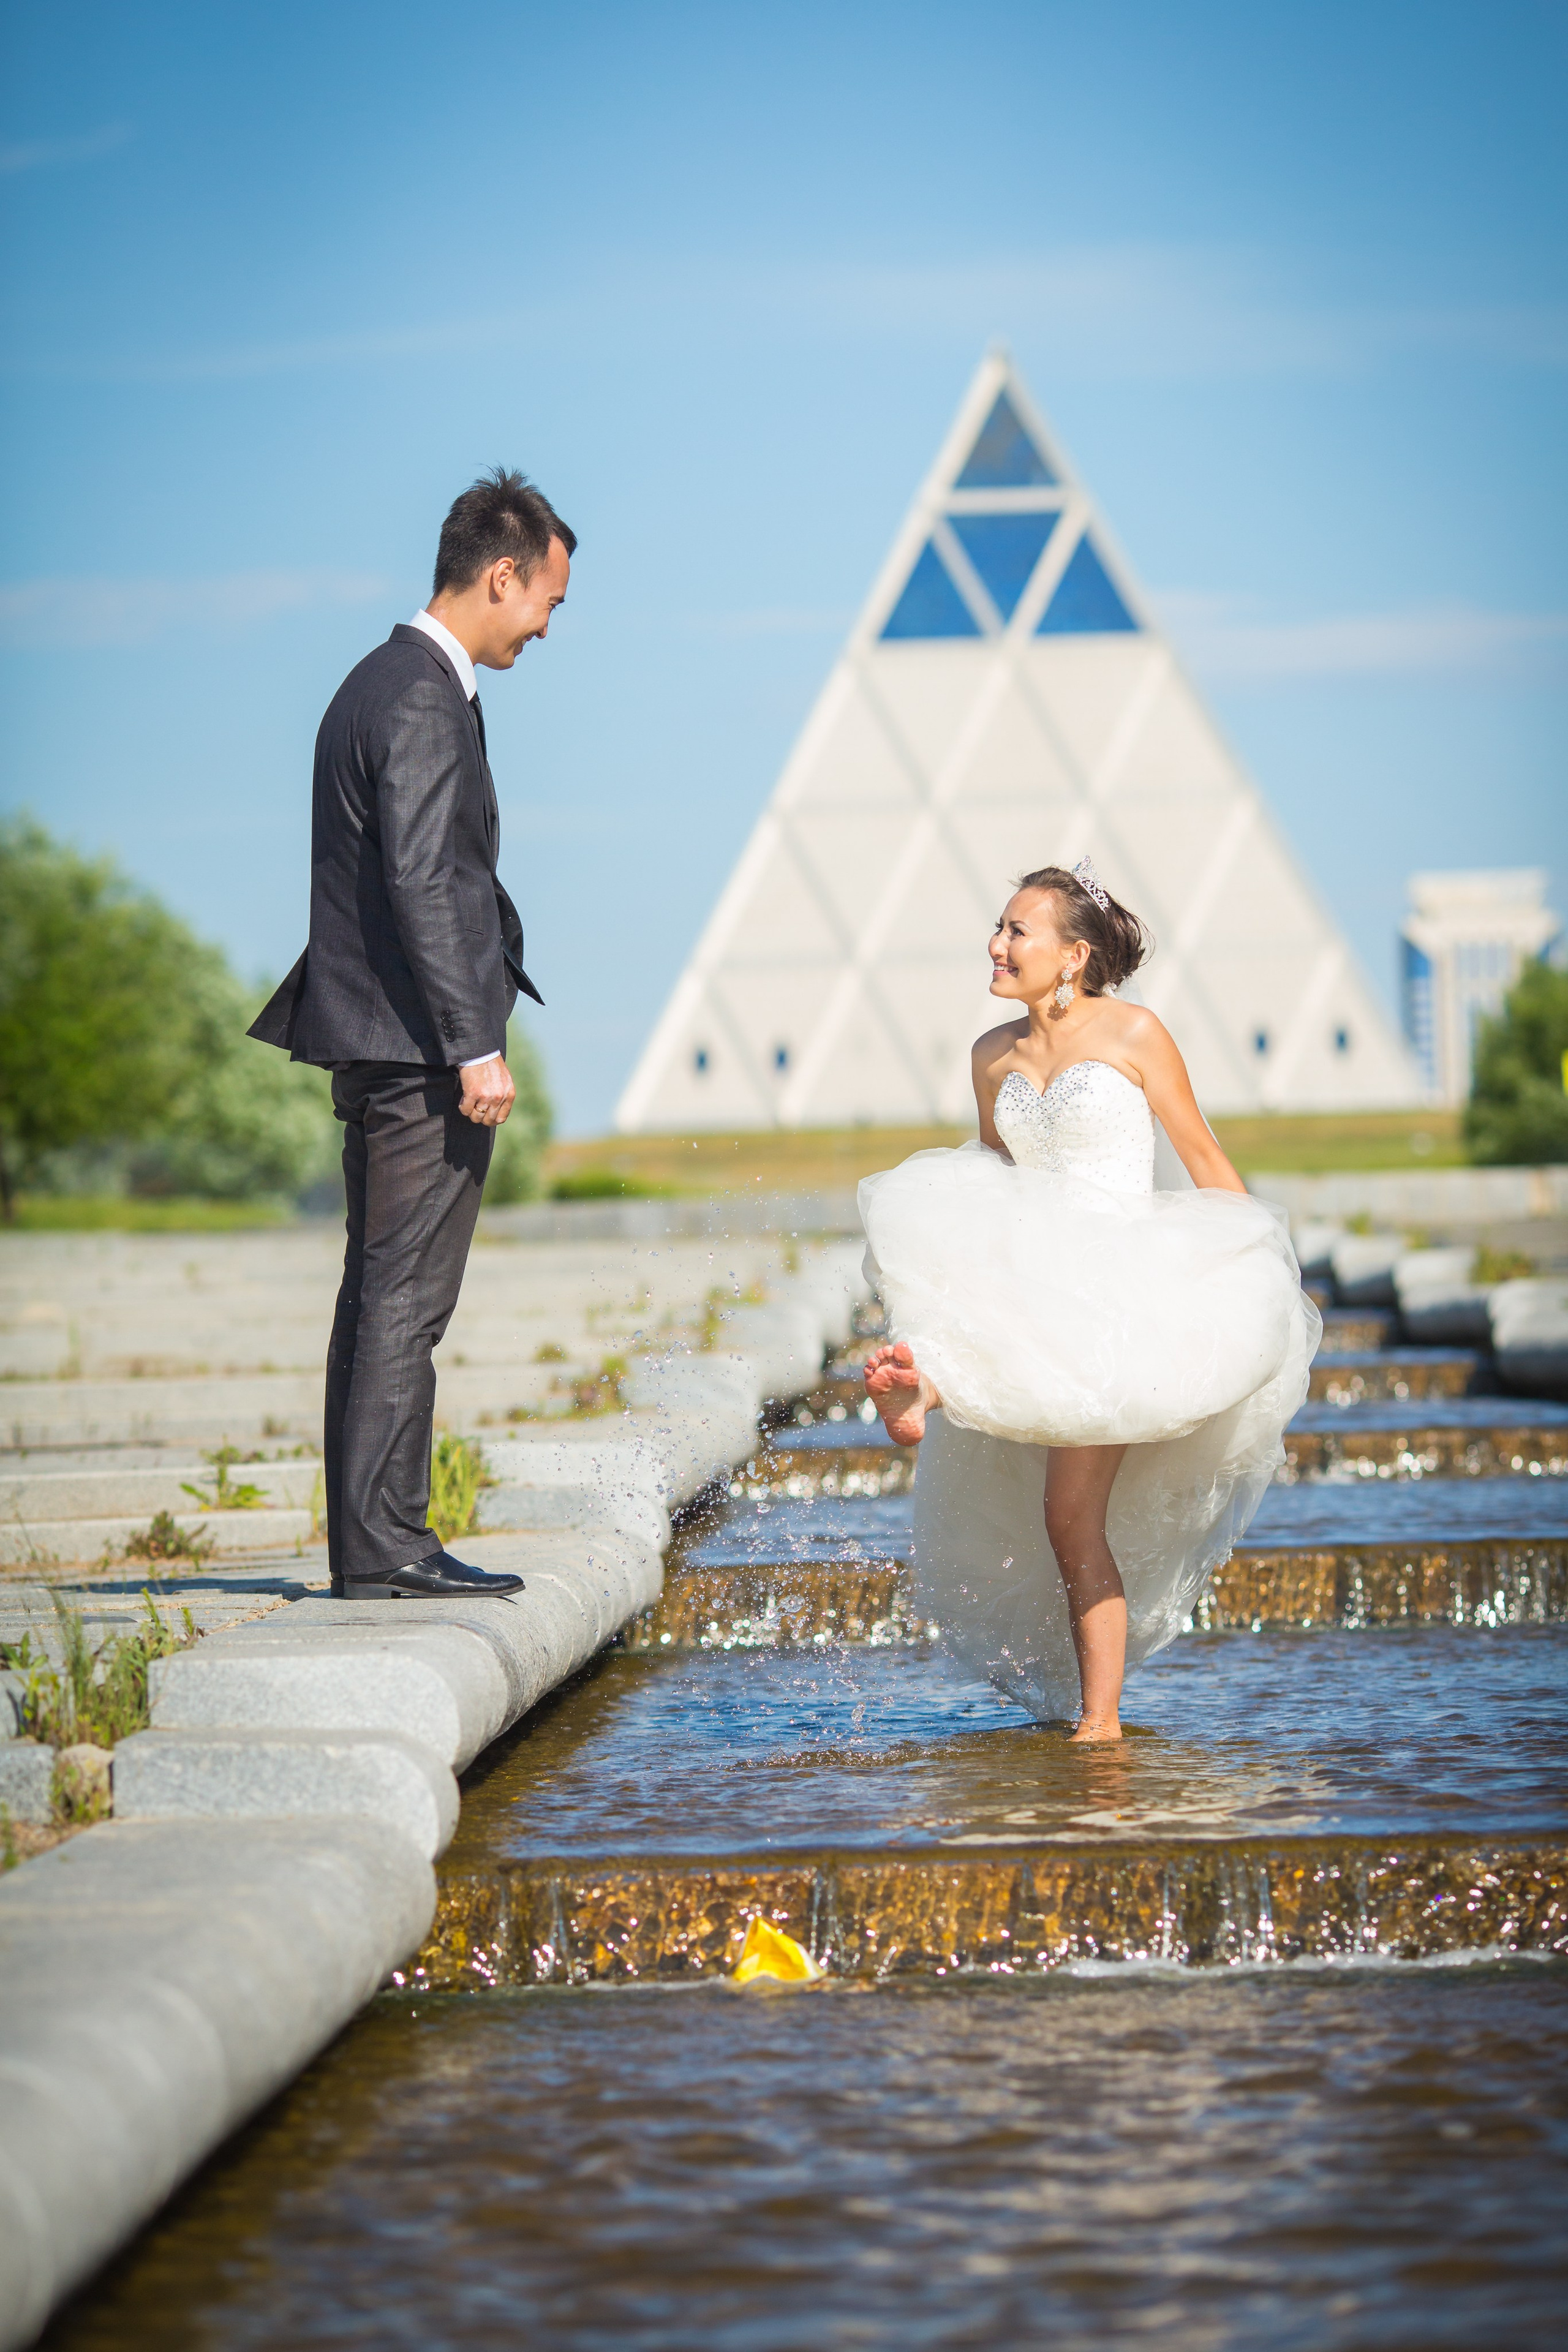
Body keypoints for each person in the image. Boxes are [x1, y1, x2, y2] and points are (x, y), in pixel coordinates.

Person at [859, 859, 1317, 1740]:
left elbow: (1202, 1156)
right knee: (1058, 1506)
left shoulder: (1137, 1033)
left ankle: (1099, 1722)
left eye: (1016, 932)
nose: (996, 946)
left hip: (1122, 1289)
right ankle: (933, 1384)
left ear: (1073, 955)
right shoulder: (991, 1055)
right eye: (996, 929)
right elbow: (994, 1173)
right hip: (1033, 1277)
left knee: (1071, 1516)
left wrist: (1255, 1270)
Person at [251, 469, 575, 1600]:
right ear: (503, 574)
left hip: (381, 1041)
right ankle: (386, 1550)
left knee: (379, 1291)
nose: (545, 626)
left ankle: (378, 1539)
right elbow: (426, 881)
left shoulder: (370, 684)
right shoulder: (424, 698)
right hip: (415, 1053)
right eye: (548, 601)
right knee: (404, 1299)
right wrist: (471, 1044)